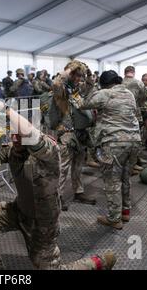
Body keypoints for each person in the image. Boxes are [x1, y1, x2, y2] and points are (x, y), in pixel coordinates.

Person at [0, 99, 116, 270]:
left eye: (18, 134)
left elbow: (32, 136)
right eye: (12, 134)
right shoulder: (14, 148)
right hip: (18, 210)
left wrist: (5, 110)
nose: (14, 138)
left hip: (42, 224)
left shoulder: (49, 152)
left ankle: (98, 262)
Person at [80, 70, 141, 229]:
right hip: (134, 141)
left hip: (115, 142)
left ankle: (114, 219)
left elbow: (84, 104)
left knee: (112, 181)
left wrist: (89, 86)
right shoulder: (129, 93)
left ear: (103, 83)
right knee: (125, 177)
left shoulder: (105, 93)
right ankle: (125, 212)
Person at [52, 61, 96, 211]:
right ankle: (57, 197)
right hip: (66, 134)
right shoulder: (61, 90)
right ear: (70, 74)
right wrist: (69, 69)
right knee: (63, 168)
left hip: (80, 133)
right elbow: (57, 83)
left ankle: (79, 192)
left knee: (78, 166)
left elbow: (90, 84)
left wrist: (87, 71)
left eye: (81, 76)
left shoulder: (77, 90)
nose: (79, 78)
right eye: (77, 75)